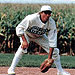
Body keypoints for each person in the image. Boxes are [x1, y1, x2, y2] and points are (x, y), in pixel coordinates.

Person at [8, 5, 71, 75]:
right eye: (45, 13)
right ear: (40, 13)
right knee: (23, 48)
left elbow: (52, 41)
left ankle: (60, 71)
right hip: (27, 34)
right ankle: (11, 69)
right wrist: (24, 41)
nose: (47, 15)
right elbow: (19, 28)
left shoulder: (51, 23)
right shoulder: (31, 18)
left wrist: (49, 58)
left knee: (55, 51)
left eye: (49, 13)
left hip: (39, 36)